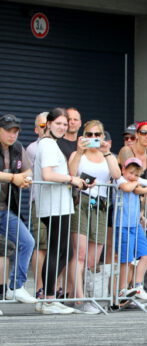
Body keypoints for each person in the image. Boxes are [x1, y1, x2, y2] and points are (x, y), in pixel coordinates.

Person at [33, 107, 85, 314]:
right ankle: (48, 298)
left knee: (65, 251)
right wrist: (72, 179)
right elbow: (48, 174)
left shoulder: (51, 144)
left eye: (65, 124)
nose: (63, 127)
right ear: (49, 124)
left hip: (61, 204)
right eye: (59, 124)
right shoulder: (46, 144)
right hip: (53, 205)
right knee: (57, 250)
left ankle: (48, 296)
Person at [67, 120, 120, 313]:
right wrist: (80, 151)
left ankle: (88, 296)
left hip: (101, 205)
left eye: (97, 135)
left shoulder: (109, 155)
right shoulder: (77, 154)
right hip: (81, 202)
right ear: (83, 136)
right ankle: (79, 298)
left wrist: (106, 152)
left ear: (103, 136)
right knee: (79, 254)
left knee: (92, 259)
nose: (93, 138)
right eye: (89, 135)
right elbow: (71, 173)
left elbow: (116, 174)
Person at [0, 114, 37, 305]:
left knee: (27, 242)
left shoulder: (17, 148)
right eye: (8, 130)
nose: (12, 135)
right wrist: (12, 178)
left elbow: (29, 171)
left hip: (5, 208)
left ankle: (16, 287)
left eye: (15, 131)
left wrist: (22, 178)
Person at [113, 157, 147, 303]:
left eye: (136, 174)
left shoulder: (136, 182)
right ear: (123, 170)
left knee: (146, 254)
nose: (133, 176)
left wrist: (141, 189)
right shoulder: (119, 179)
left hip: (135, 225)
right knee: (126, 260)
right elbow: (126, 187)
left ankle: (138, 286)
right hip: (123, 225)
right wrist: (135, 184)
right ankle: (122, 290)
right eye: (130, 172)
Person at [25, 111, 49, 299]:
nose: (46, 128)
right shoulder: (35, 147)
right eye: (42, 126)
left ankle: (54, 287)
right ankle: (39, 287)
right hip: (39, 201)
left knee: (56, 246)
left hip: (58, 203)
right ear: (36, 129)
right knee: (40, 245)